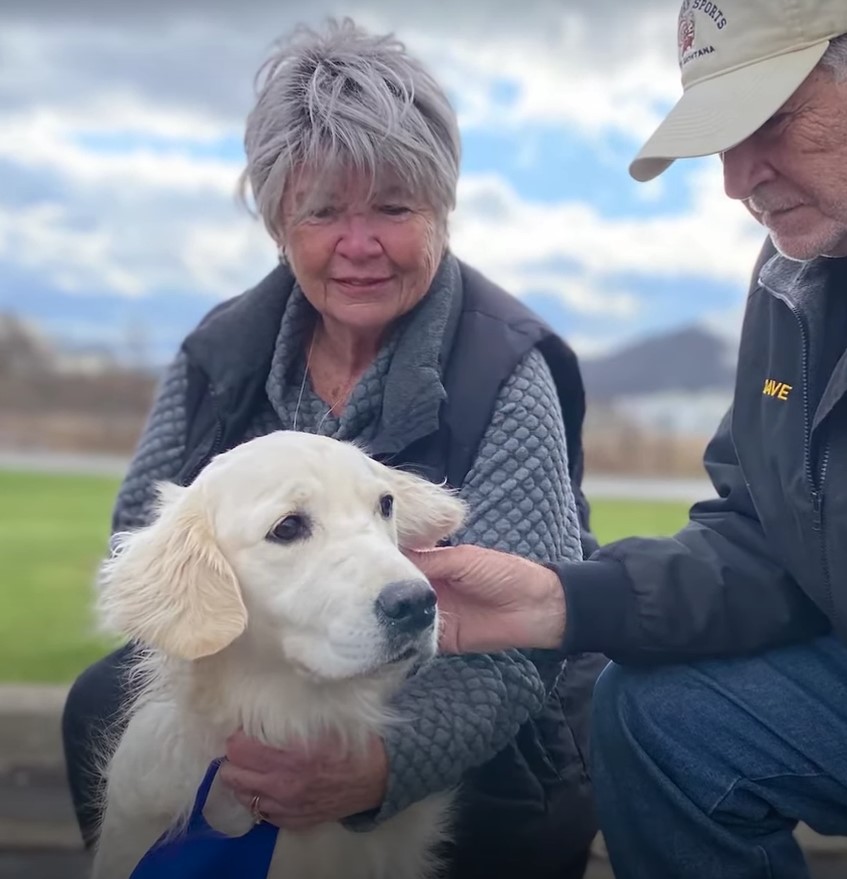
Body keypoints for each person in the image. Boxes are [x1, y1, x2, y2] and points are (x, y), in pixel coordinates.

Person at [409, 0, 847, 876]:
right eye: (720, 138)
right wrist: (560, 601)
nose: (737, 180)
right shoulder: (805, 265)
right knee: (657, 717)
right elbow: (771, 539)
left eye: (770, 120)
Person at [60, 18, 605, 879]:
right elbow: (152, 550)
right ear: (281, 221)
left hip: (473, 714)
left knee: (490, 808)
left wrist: (376, 769)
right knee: (100, 700)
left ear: (441, 210)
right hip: (266, 690)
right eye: (323, 212)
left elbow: (519, 647)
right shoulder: (218, 354)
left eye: (393, 207)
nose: (359, 246)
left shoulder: (508, 368)